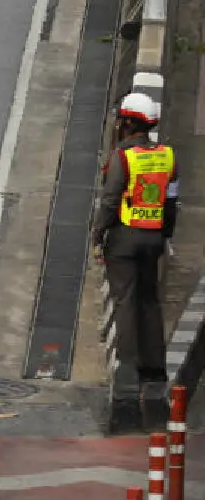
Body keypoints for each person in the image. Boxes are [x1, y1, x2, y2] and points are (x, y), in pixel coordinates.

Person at [91, 91, 178, 383]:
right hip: (154, 238)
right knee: (149, 300)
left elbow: (110, 201)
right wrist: (165, 234)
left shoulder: (124, 156)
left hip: (125, 239)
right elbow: (170, 202)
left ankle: (127, 369)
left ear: (128, 123)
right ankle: (154, 368)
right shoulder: (167, 156)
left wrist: (97, 233)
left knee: (125, 300)